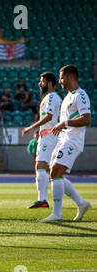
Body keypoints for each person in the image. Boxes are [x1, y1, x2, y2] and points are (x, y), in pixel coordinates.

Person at [42, 65, 92, 222]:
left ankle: (57, 214)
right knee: (55, 173)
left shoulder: (80, 95)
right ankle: (81, 203)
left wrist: (64, 123)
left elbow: (86, 119)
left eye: (62, 77)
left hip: (72, 142)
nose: (60, 81)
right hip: (63, 140)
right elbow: (64, 123)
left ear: (70, 77)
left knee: (56, 171)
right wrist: (50, 131)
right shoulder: (67, 98)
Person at [21, 72, 62, 209]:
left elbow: (49, 117)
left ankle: (42, 199)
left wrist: (30, 127)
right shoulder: (50, 97)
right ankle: (80, 202)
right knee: (50, 170)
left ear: (50, 83)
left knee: (42, 166)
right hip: (48, 135)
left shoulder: (51, 97)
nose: (40, 84)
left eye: (42, 81)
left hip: (49, 137)